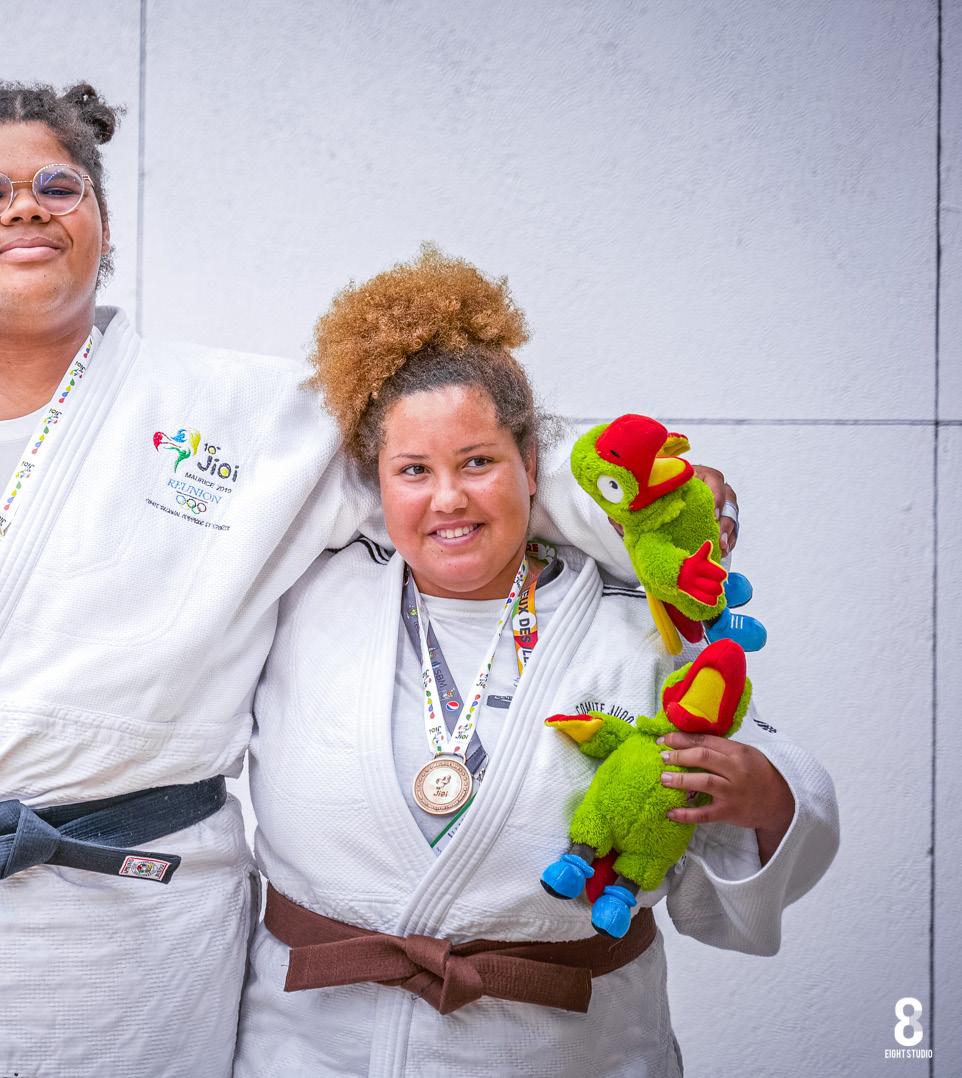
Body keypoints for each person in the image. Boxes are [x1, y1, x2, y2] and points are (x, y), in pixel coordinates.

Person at [0, 83, 739, 1075]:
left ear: (102, 220)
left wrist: (650, 508)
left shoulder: (242, 412)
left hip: (134, 911)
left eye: (58, 185)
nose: (26, 207)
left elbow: (456, 460)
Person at [233, 249, 839, 1077]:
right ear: (376, 482)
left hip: (566, 1050)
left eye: (478, 461)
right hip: (311, 1047)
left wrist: (767, 795)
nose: (448, 497)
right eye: (413, 470)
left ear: (531, 466)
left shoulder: (637, 627)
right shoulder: (309, 598)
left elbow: (758, 790)